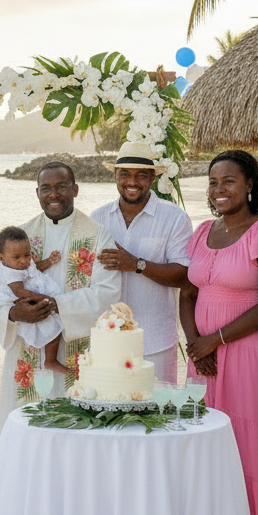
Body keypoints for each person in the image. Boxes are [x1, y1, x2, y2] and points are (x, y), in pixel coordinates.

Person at [179, 150, 258, 515]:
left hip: (248, 350)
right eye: (213, 182)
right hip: (203, 355)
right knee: (204, 432)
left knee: (245, 432)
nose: (219, 189)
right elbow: (187, 293)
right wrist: (195, 344)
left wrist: (215, 339)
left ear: (250, 185)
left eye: (229, 181)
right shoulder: (200, 232)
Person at [0, 161, 121, 421]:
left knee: (75, 421)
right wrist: (14, 313)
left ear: (76, 190)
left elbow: (108, 292)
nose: (54, 194)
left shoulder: (97, 235)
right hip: (28, 344)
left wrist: (56, 305)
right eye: (46, 188)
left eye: (61, 186)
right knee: (28, 420)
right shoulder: (21, 235)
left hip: (77, 342)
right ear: (37, 192)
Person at [90, 141, 192, 385]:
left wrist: (137, 264)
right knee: (110, 412)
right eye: (124, 174)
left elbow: (185, 276)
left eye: (141, 175)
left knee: (157, 415)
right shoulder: (97, 218)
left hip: (155, 340)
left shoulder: (174, 218)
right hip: (108, 338)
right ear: (115, 176)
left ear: (153, 177)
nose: (132, 181)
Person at [0, 226, 66, 375]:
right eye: (17, 257)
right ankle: (50, 361)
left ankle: (50, 360)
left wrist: (49, 261)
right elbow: (20, 292)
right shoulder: (9, 273)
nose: (23, 261)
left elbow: (34, 269)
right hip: (25, 299)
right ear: (1, 258)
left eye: (27, 255)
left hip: (32, 296)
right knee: (54, 329)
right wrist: (47, 299)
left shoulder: (19, 265)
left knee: (56, 329)